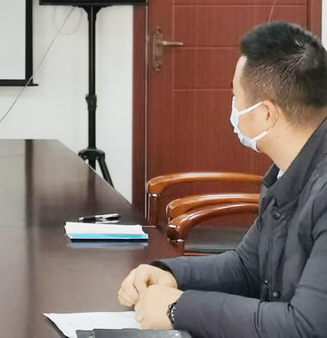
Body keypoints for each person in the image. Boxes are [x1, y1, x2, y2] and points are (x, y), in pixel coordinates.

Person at [117, 21, 327, 337]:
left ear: (266, 114)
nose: (233, 108)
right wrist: (169, 274)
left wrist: (178, 308)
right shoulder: (288, 171)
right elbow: (247, 267)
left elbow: (304, 328)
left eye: (235, 96)